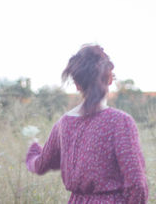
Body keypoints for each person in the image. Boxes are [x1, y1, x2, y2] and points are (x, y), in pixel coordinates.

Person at [25, 44, 148, 204]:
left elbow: (41, 164)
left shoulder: (64, 124)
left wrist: (33, 149)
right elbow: (136, 184)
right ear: (110, 78)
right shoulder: (120, 122)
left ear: (76, 83)